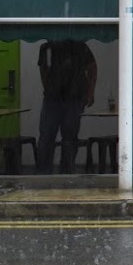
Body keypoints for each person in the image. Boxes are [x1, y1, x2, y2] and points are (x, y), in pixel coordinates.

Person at [38, 40, 96, 173]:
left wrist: (90, 92)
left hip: (73, 97)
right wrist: (48, 87)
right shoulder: (47, 48)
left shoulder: (79, 46)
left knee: (67, 137)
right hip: (55, 97)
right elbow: (43, 69)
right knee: (48, 136)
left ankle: (65, 172)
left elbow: (92, 67)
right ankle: (46, 172)